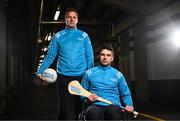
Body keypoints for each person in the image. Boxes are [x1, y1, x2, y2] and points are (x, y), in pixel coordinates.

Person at [36, 8, 94, 120]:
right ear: (65, 19)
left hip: (80, 75)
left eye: (74, 17)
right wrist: (40, 71)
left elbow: (89, 57)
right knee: (63, 107)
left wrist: (89, 74)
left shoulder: (84, 36)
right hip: (63, 76)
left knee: (80, 106)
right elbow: (50, 56)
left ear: (77, 20)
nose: (71, 19)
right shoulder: (58, 36)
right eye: (69, 17)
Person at [81, 43, 134, 120]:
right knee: (93, 113)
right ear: (99, 56)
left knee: (113, 112)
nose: (105, 57)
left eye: (108, 55)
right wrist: (87, 98)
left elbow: (125, 93)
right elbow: (82, 93)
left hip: (113, 105)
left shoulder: (118, 75)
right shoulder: (89, 73)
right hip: (95, 105)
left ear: (112, 58)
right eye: (102, 55)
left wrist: (129, 104)